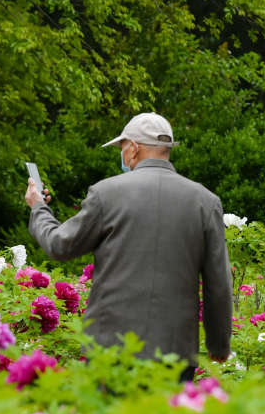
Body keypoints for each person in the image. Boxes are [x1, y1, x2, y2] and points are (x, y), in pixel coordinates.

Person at [24, 112, 233, 380]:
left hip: (111, 346)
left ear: (133, 148)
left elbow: (59, 245)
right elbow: (218, 282)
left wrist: (38, 208)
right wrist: (219, 344)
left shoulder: (105, 193)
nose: (122, 155)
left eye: (122, 148)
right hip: (175, 350)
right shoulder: (205, 201)